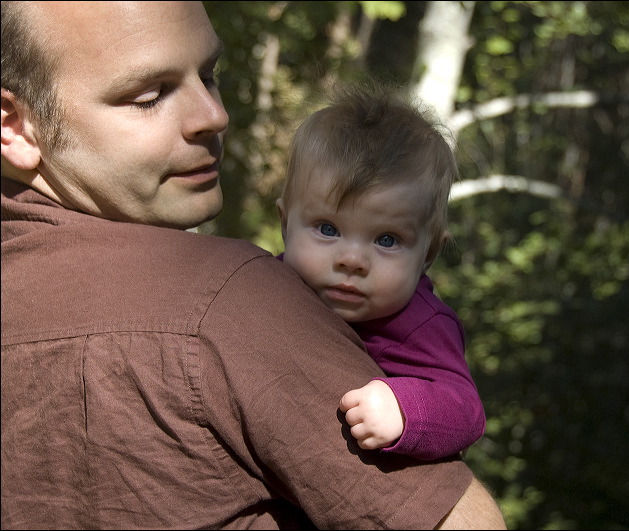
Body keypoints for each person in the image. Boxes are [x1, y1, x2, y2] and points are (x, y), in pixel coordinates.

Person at [0, 1, 507, 529]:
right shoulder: (226, 302)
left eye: (209, 76)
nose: (214, 116)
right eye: (149, 97)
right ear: (14, 125)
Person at [276, 85, 486, 461]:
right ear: (285, 224)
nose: (352, 260)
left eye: (386, 240)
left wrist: (403, 409)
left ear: (428, 254)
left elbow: (466, 411)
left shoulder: (421, 325)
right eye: (328, 229)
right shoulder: (266, 283)